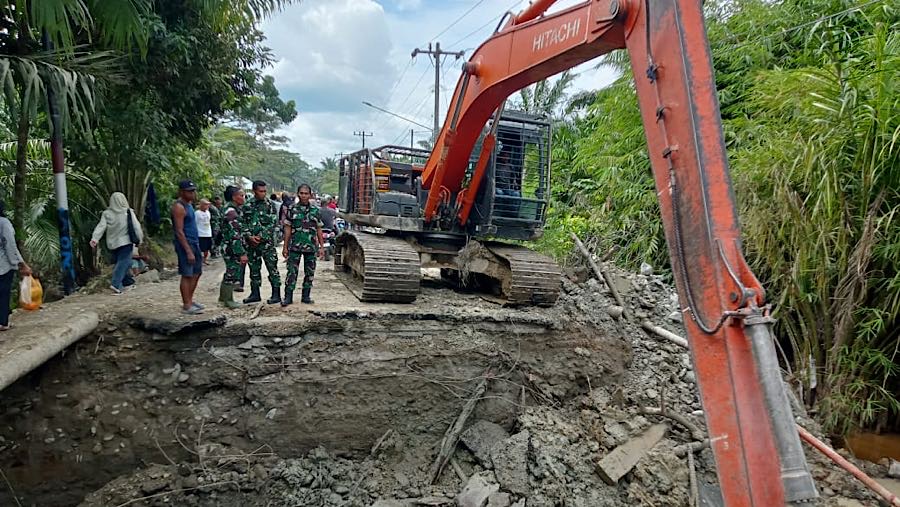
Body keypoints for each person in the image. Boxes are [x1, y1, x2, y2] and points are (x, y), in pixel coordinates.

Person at [90, 192, 144, 294]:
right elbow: (136, 227)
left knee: (121, 263)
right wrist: (139, 239)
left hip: (112, 244)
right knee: (125, 262)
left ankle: (128, 283)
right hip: (126, 242)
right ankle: (116, 284)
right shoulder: (128, 212)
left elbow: (101, 227)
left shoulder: (106, 213)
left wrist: (95, 239)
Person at [282, 183, 324, 306]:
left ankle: (306, 296)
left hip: (310, 247)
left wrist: (321, 247)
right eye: (301, 193)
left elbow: (319, 229)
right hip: (295, 246)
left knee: (310, 272)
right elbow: (288, 229)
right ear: (297, 194)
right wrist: (285, 246)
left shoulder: (315, 210)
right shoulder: (292, 209)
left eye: (306, 193)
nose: (304, 196)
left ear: (310, 195)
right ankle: (288, 297)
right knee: (291, 272)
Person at [241, 180, 281, 304]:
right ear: (254, 191)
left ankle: (276, 294)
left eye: (265, 191)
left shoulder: (270, 205)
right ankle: (255, 294)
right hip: (251, 244)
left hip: (267, 244)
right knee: (254, 269)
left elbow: (273, 223)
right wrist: (249, 237)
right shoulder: (247, 206)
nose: (263, 194)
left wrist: (260, 237)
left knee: (272, 268)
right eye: (260, 191)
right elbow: (242, 223)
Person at [172, 180, 204, 314]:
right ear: (181, 192)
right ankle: (186, 304)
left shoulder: (189, 205)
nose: (192, 193)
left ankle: (190, 300)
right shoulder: (179, 207)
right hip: (186, 243)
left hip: (194, 241)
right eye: (189, 191)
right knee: (187, 274)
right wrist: (188, 250)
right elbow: (179, 231)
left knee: (197, 272)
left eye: (193, 191)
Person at [0, 200, 32, 331]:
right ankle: (2, 322)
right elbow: (10, 245)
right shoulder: (4, 223)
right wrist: (20, 264)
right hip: (3, 265)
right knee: (3, 292)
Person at [219, 186, 248, 308]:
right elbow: (235, 235)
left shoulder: (230, 209)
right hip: (231, 247)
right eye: (241, 195)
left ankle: (223, 298)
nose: (243, 198)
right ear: (234, 197)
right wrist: (241, 253)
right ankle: (228, 300)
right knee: (231, 272)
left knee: (230, 271)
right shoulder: (231, 212)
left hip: (227, 245)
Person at [195, 199, 213, 265]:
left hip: (208, 233)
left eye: (208, 204)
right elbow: (195, 222)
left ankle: (204, 260)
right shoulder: (197, 213)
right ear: (201, 205)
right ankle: (199, 260)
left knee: (207, 249)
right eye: (205, 204)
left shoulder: (208, 212)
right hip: (200, 233)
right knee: (200, 248)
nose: (207, 206)